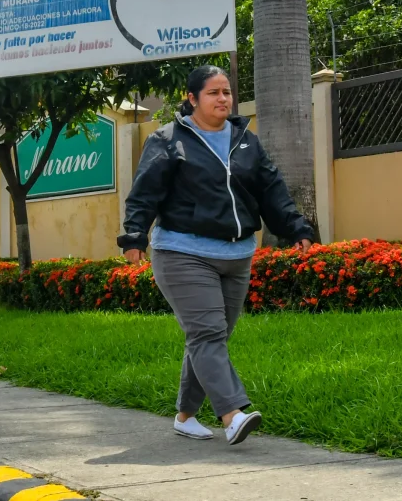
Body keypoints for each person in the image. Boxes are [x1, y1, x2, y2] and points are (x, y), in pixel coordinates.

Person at [118, 65, 314, 445]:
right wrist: (133, 237)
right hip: (182, 251)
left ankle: (185, 415)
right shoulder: (168, 140)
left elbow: (271, 188)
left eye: (226, 92)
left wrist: (296, 227)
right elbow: (145, 192)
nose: (223, 98)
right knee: (207, 333)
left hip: (237, 253)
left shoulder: (245, 140)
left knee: (211, 338)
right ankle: (232, 415)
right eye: (213, 93)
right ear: (192, 99)